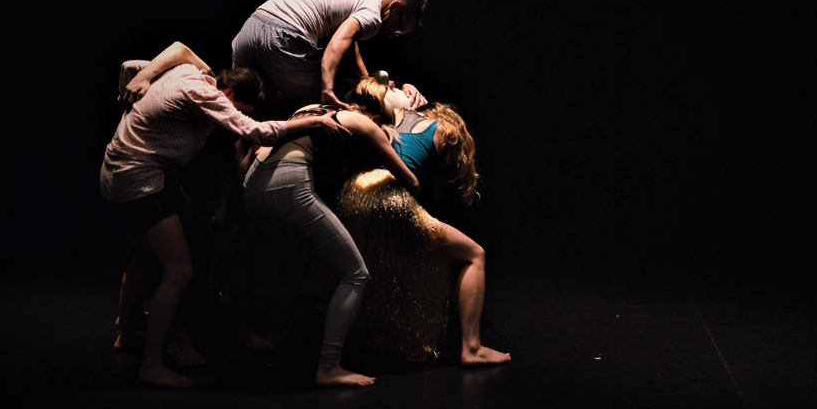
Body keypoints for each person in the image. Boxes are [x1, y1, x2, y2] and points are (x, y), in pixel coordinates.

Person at [102, 42, 347, 388]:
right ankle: (152, 365)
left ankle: (126, 336)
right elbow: (256, 131)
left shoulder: (194, 71)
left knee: (145, 258)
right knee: (178, 270)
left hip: (131, 169)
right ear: (228, 91)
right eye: (238, 106)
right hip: (137, 179)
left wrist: (143, 75)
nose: (231, 115)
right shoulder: (206, 94)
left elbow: (173, 51)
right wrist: (315, 122)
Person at [241, 77, 420, 387]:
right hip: (289, 184)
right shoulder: (365, 124)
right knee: (355, 273)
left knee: (297, 254)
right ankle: (329, 367)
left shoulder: (314, 107)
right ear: (377, 119)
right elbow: (409, 179)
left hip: (253, 186)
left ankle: (274, 333)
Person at [337, 82, 511, 366]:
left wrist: (405, 87)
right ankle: (473, 347)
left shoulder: (388, 115)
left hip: (355, 193)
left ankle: (366, 339)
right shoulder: (442, 129)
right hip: (391, 195)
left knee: (376, 262)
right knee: (474, 255)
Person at [231, 0, 428, 111]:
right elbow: (339, 42)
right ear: (395, 6)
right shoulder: (373, 16)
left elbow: (349, 41)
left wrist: (366, 79)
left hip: (253, 25)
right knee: (318, 102)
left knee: (248, 103)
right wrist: (326, 91)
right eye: (399, 28)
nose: (393, 34)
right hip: (283, 36)